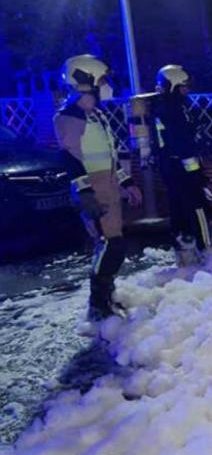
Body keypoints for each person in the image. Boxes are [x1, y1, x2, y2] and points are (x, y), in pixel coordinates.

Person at [53, 54, 143, 321]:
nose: (107, 86)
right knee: (110, 245)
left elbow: (109, 156)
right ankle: (98, 305)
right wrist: (85, 193)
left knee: (113, 243)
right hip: (92, 188)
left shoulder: (97, 115)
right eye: (103, 80)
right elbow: (70, 159)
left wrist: (126, 182)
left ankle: (107, 296)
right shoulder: (70, 117)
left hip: (108, 184)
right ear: (87, 81)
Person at [148, 64, 212, 265]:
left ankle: (184, 252)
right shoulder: (173, 110)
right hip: (182, 168)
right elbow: (182, 145)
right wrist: (198, 176)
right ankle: (208, 251)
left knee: (178, 208)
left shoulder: (163, 106)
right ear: (173, 87)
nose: (187, 90)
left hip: (169, 167)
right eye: (183, 86)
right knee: (199, 208)